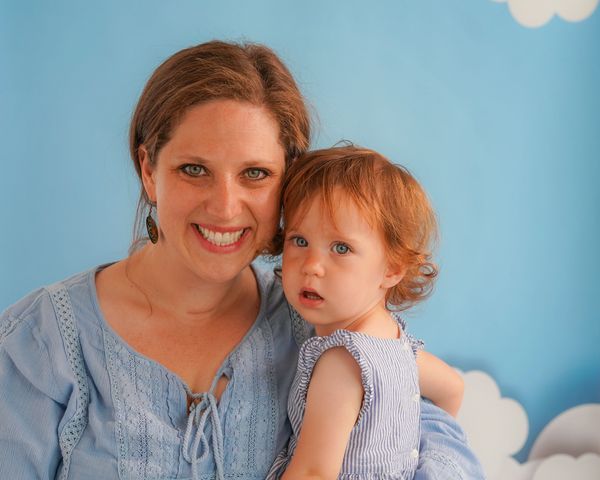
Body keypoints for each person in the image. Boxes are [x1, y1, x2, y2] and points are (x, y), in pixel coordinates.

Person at [0, 41, 484, 479]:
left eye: (255, 173)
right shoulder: (38, 343)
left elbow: (435, 441)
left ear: (288, 184)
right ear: (149, 171)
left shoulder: (324, 324)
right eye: (194, 170)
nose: (226, 207)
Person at [265, 146, 465, 479]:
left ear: (392, 268)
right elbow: (453, 387)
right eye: (299, 240)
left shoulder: (341, 363)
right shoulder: (397, 345)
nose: (312, 266)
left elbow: (314, 472)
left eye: (341, 248)